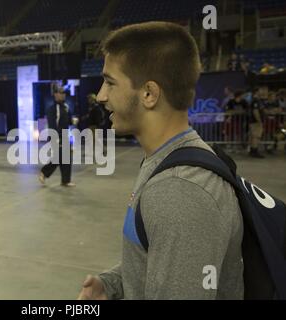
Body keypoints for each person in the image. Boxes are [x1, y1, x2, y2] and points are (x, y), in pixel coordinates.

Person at [78, 22, 243, 300]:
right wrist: (112, 285)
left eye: (109, 82)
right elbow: (156, 259)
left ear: (149, 94)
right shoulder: (164, 161)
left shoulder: (180, 191)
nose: (102, 96)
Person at [39, 85, 77, 187]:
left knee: (67, 158)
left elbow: (69, 121)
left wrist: (73, 120)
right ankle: (44, 172)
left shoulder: (66, 107)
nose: (63, 95)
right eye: (61, 93)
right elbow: (52, 124)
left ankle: (65, 180)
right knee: (59, 157)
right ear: (55, 94)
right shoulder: (52, 109)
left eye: (64, 93)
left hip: (65, 135)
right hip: (57, 136)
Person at [248, 88, 265, 158]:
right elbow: (255, 111)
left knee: (253, 136)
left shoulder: (255, 100)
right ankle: (254, 151)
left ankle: (252, 150)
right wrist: (259, 121)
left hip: (254, 121)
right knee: (255, 137)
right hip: (255, 122)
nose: (263, 91)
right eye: (261, 90)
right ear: (257, 92)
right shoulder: (256, 101)